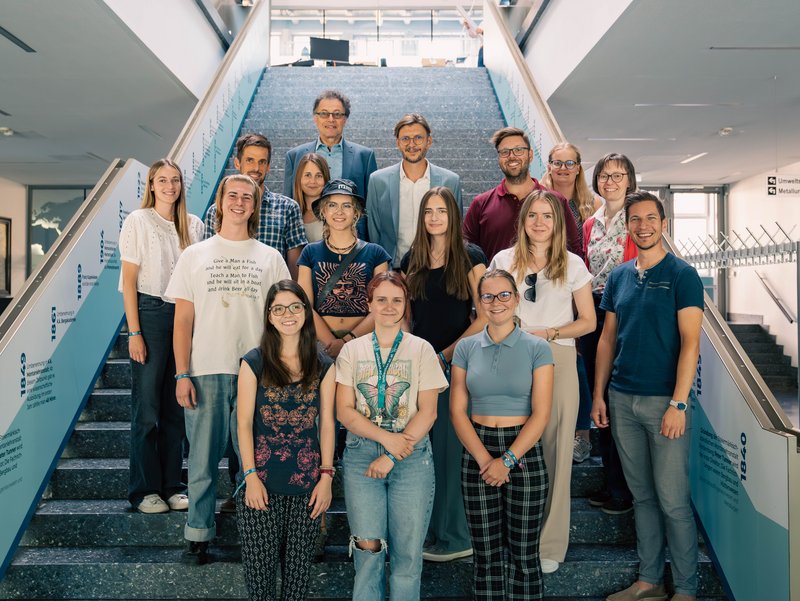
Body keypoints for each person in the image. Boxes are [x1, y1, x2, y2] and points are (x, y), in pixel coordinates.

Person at [166, 174, 291, 564]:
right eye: (232, 196)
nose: (239, 202)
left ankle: (257, 530)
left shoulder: (270, 257)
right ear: (220, 203)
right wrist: (181, 373)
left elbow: (284, 318)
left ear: (255, 206)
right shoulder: (194, 255)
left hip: (257, 371)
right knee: (202, 459)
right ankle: (199, 534)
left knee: (256, 457)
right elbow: (182, 321)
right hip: (206, 368)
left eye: (246, 197)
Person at [592, 192, 704, 601]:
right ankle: (650, 581)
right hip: (622, 400)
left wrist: (679, 402)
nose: (642, 225)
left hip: (664, 405)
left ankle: (687, 590)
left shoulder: (682, 275)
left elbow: (691, 343)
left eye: (650, 218)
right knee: (642, 498)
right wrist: (599, 395)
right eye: (634, 219)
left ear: (664, 223)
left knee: (673, 502)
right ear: (627, 225)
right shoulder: (619, 276)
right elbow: (606, 340)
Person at [490, 190, 595, 574]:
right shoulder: (502, 261)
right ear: (522, 222)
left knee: (555, 451)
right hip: (511, 356)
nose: (539, 222)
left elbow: (588, 321)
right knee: (511, 447)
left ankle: (550, 543)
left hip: (558, 357)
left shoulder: (573, 264)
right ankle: (510, 538)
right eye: (532, 215)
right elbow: (491, 306)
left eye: (547, 216)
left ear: (558, 222)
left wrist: (548, 332)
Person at [336, 271, 448, 601]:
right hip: (362, 456)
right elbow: (344, 410)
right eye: (381, 300)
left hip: (411, 456)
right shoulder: (352, 351)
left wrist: (392, 453)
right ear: (368, 304)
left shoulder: (421, 350)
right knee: (367, 549)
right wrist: (385, 443)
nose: (388, 306)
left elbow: (428, 411)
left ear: (405, 305)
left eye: (396, 300)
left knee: (407, 556)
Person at [450, 269, 554, 601]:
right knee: (486, 558)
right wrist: (486, 461)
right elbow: (457, 411)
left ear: (517, 299)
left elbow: (541, 414)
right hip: (477, 449)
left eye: (504, 295)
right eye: (488, 296)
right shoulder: (465, 348)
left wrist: (507, 461)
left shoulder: (538, 348)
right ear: (479, 303)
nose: (496, 303)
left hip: (524, 451)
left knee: (525, 557)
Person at [399, 186, 487, 562]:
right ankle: (426, 532)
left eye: (442, 210)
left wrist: (443, 355)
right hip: (418, 367)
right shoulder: (411, 258)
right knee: (421, 453)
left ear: (453, 215)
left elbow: (483, 316)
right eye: (428, 211)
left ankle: (455, 536)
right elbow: (405, 315)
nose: (435, 217)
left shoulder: (471, 256)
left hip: (456, 366)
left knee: (450, 453)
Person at [236, 280, 335, 601]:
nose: (287, 314)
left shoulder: (324, 366)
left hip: (307, 489)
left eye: (295, 306)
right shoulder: (253, 362)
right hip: (259, 488)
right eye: (278, 309)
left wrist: (326, 477)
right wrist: (249, 476)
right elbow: (243, 424)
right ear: (269, 316)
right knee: (260, 585)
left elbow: (327, 425)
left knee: (297, 585)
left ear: (306, 312)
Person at [119, 158, 204, 514]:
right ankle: (144, 490)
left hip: (184, 314)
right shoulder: (138, 221)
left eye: (176, 180)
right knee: (148, 410)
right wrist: (134, 331)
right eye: (162, 180)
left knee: (175, 408)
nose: (170, 186)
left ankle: (172, 485)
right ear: (152, 185)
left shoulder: (194, 225)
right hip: (150, 313)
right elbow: (128, 281)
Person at [581, 152, 638, 515]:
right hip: (594, 313)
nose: (611, 181)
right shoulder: (591, 223)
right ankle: (611, 482)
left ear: (630, 180)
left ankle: (626, 490)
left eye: (618, 175)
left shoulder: (639, 220)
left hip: (628, 314)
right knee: (598, 398)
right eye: (604, 175)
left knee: (620, 401)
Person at [541, 142, 603, 463]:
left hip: (582, 289)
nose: (563, 168)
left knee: (582, 360)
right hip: (549, 290)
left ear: (579, 167)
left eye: (570, 163)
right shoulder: (540, 198)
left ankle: (581, 433)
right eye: (557, 162)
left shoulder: (594, 205)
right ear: (548, 165)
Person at [298, 179, 390, 359]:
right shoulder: (309, 253)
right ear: (323, 211)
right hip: (321, 345)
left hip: (364, 343)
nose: (339, 212)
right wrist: (331, 343)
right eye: (332, 205)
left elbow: (381, 305)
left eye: (346, 206)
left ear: (356, 212)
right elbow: (304, 305)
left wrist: (347, 341)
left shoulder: (376, 254)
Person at [463, 127, 581, 262]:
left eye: (518, 150)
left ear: (530, 155)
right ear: (499, 158)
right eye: (505, 152)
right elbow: (467, 254)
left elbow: (574, 250)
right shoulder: (481, 203)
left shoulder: (556, 201)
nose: (512, 156)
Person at [204, 133, 307, 278]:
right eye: (250, 160)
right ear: (237, 163)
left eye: (262, 162)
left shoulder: (287, 208)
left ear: (268, 167)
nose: (256, 168)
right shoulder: (216, 210)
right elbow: (208, 261)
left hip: (273, 296)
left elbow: (295, 271)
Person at [367, 113, 462, 266]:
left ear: (428, 141)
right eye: (405, 139)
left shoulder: (450, 181)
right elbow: (374, 230)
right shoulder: (377, 181)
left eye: (418, 138)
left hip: (436, 268)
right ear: (398, 143)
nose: (412, 144)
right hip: (393, 270)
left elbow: (455, 229)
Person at [284, 90, 378, 239]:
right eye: (324, 113)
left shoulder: (365, 156)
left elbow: (372, 207)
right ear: (315, 118)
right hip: (306, 236)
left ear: (345, 119)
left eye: (337, 114)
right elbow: (288, 203)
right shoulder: (295, 156)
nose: (331, 119)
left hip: (352, 239)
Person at [291, 152, 330, 243]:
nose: (313, 181)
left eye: (319, 176)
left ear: (325, 178)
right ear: (299, 178)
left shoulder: (334, 212)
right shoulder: (290, 212)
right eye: (308, 175)